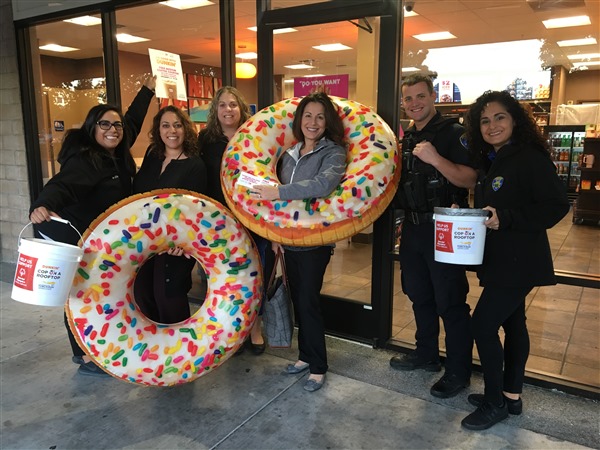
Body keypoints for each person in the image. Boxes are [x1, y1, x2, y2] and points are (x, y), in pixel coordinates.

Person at [29, 76, 156, 377]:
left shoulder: (116, 153)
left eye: (116, 125)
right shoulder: (86, 160)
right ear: (92, 129)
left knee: (100, 295)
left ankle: (98, 345)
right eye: (105, 125)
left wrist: (147, 92)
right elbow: (62, 185)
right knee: (80, 296)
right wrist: (41, 205)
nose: (113, 130)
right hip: (80, 237)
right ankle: (83, 354)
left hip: (102, 241)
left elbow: (133, 122)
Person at [461, 90, 569, 430]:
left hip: (519, 261)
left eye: (500, 117)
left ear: (515, 120)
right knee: (513, 324)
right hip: (500, 259)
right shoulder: (495, 160)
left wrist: (506, 218)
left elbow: (556, 206)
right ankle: (511, 396)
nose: (492, 125)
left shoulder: (528, 157)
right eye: (485, 120)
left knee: (482, 325)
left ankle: (494, 403)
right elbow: (498, 207)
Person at [252, 91, 347, 392]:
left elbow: (323, 184)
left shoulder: (333, 152)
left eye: (320, 116)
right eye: (308, 115)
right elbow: (277, 200)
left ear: (327, 121)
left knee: (308, 301)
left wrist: (278, 192)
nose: (313, 122)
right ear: (299, 120)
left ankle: (318, 365)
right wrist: (276, 237)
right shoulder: (289, 152)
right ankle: (305, 356)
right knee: (298, 300)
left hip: (314, 242)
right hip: (287, 239)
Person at [389, 73, 477, 399]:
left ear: (432, 97)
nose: (414, 103)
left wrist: (436, 159)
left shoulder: (454, 133)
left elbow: (469, 179)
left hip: (445, 227)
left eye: (420, 96)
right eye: (409, 98)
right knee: (418, 294)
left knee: (450, 301)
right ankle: (426, 353)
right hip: (413, 228)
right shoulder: (406, 138)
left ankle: (458, 371)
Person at [198, 86, 269, 354]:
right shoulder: (205, 141)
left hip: (252, 218)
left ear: (242, 109)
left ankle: (255, 329)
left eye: (233, 105)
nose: (228, 110)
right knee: (225, 278)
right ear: (215, 112)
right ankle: (233, 330)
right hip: (218, 221)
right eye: (222, 105)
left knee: (255, 275)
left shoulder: (255, 138)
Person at [132, 105, 207, 324]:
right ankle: (155, 349)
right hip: (144, 238)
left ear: (186, 129)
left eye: (177, 125)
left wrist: (181, 242)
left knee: (168, 295)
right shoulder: (152, 155)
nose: (172, 131)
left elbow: (195, 212)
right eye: (166, 125)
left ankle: (179, 352)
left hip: (175, 245)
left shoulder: (195, 165)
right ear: (158, 130)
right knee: (143, 292)